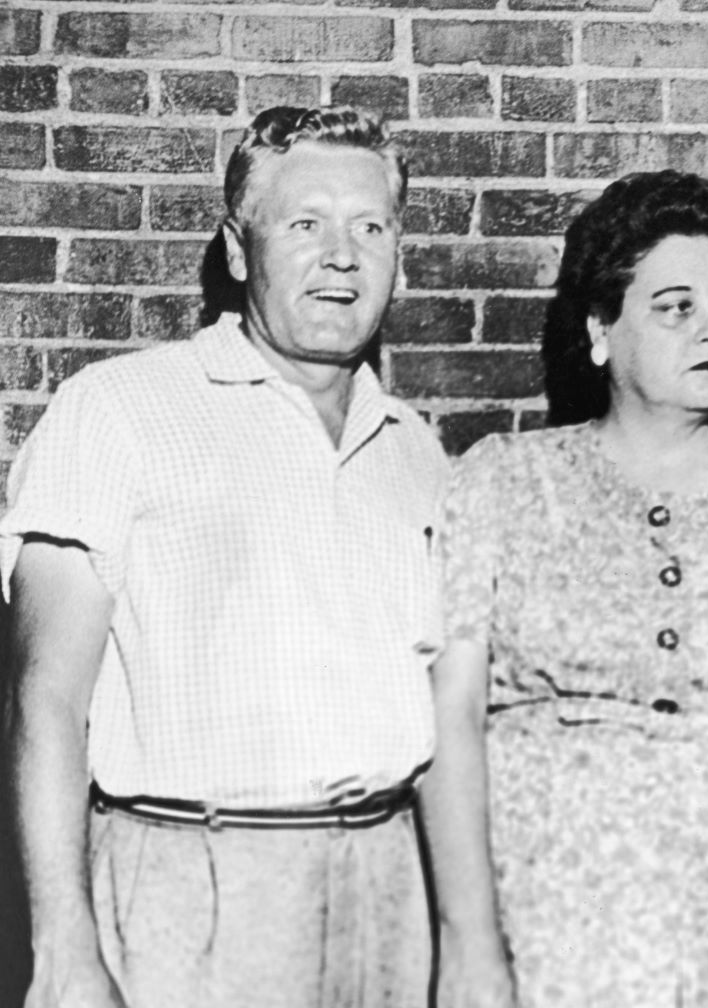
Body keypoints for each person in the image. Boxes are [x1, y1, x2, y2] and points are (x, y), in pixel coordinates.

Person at [0, 106, 447, 1007]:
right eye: (306, 223)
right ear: (239, 251)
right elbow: (43, 701)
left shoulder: (413, 450)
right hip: (189, 884)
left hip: (390, 889)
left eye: (371, 227)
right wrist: (63, 947)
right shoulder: (121, 410)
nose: (343, 255)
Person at [418, 169, 708, 1008]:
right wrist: (470, 941)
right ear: (600, 328)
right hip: (548, 934)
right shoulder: (505, 483)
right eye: (675, 307)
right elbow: (452, 723)